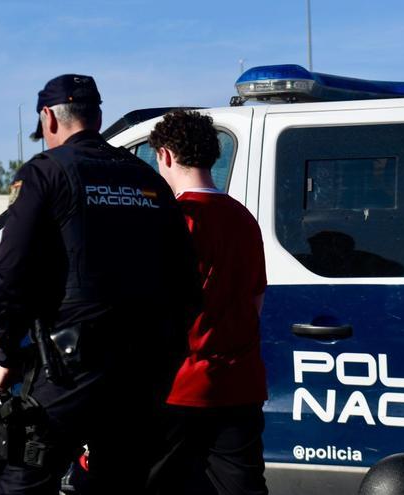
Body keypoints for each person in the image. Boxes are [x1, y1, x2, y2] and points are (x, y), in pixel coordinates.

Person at [0, 74, 200, 494]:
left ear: (48, 118)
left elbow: (10, 270)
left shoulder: (46, 172)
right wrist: (167, 355)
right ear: (98, 117)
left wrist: (7, 351)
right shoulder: (147, 178)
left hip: (72, 366)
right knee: (119, 481)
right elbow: (187, 278)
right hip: (145, 368)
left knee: (22, 480)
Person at [145, 110, 269, 495]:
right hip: (240, 383)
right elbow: (256, 299)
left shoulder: (172, 219)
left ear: (165, 155)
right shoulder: (245, 219)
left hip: (180, 386)